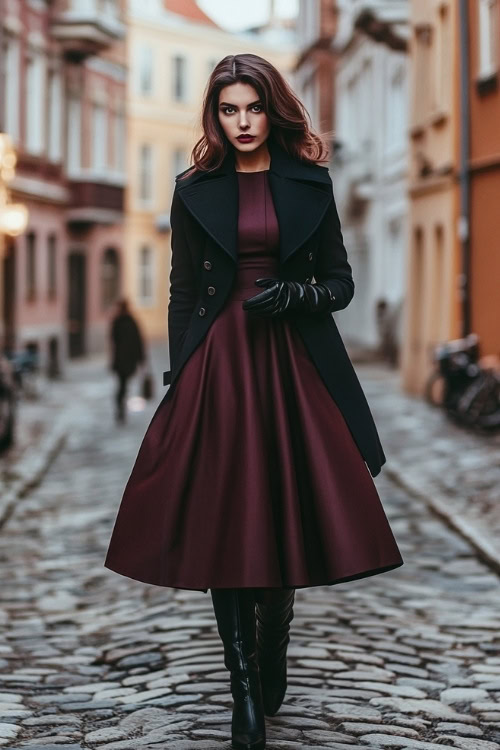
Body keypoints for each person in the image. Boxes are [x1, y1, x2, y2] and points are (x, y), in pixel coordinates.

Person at [104, 54, 403, 750]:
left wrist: (298, 296)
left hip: (293, 361)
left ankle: (275, 646)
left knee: (284, 510)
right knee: (226, 521)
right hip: (218, 366)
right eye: (230, 110)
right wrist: (182, 377)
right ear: (215, 115)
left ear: (274, 109)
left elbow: (340, 283)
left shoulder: (310, 183)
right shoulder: (192, 190)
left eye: (254, 108)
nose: (242, 123)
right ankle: (243, 689)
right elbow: (181, 292)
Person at [109, 298, 145, 423]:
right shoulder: (131, 321)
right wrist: (141, 358)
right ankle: (121, 407)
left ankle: (120, 407)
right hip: (129, 359)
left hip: (120, 359)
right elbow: (138, 341)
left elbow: (113, 340)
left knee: (121, 384)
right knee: (123, 385)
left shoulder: (117, 321)